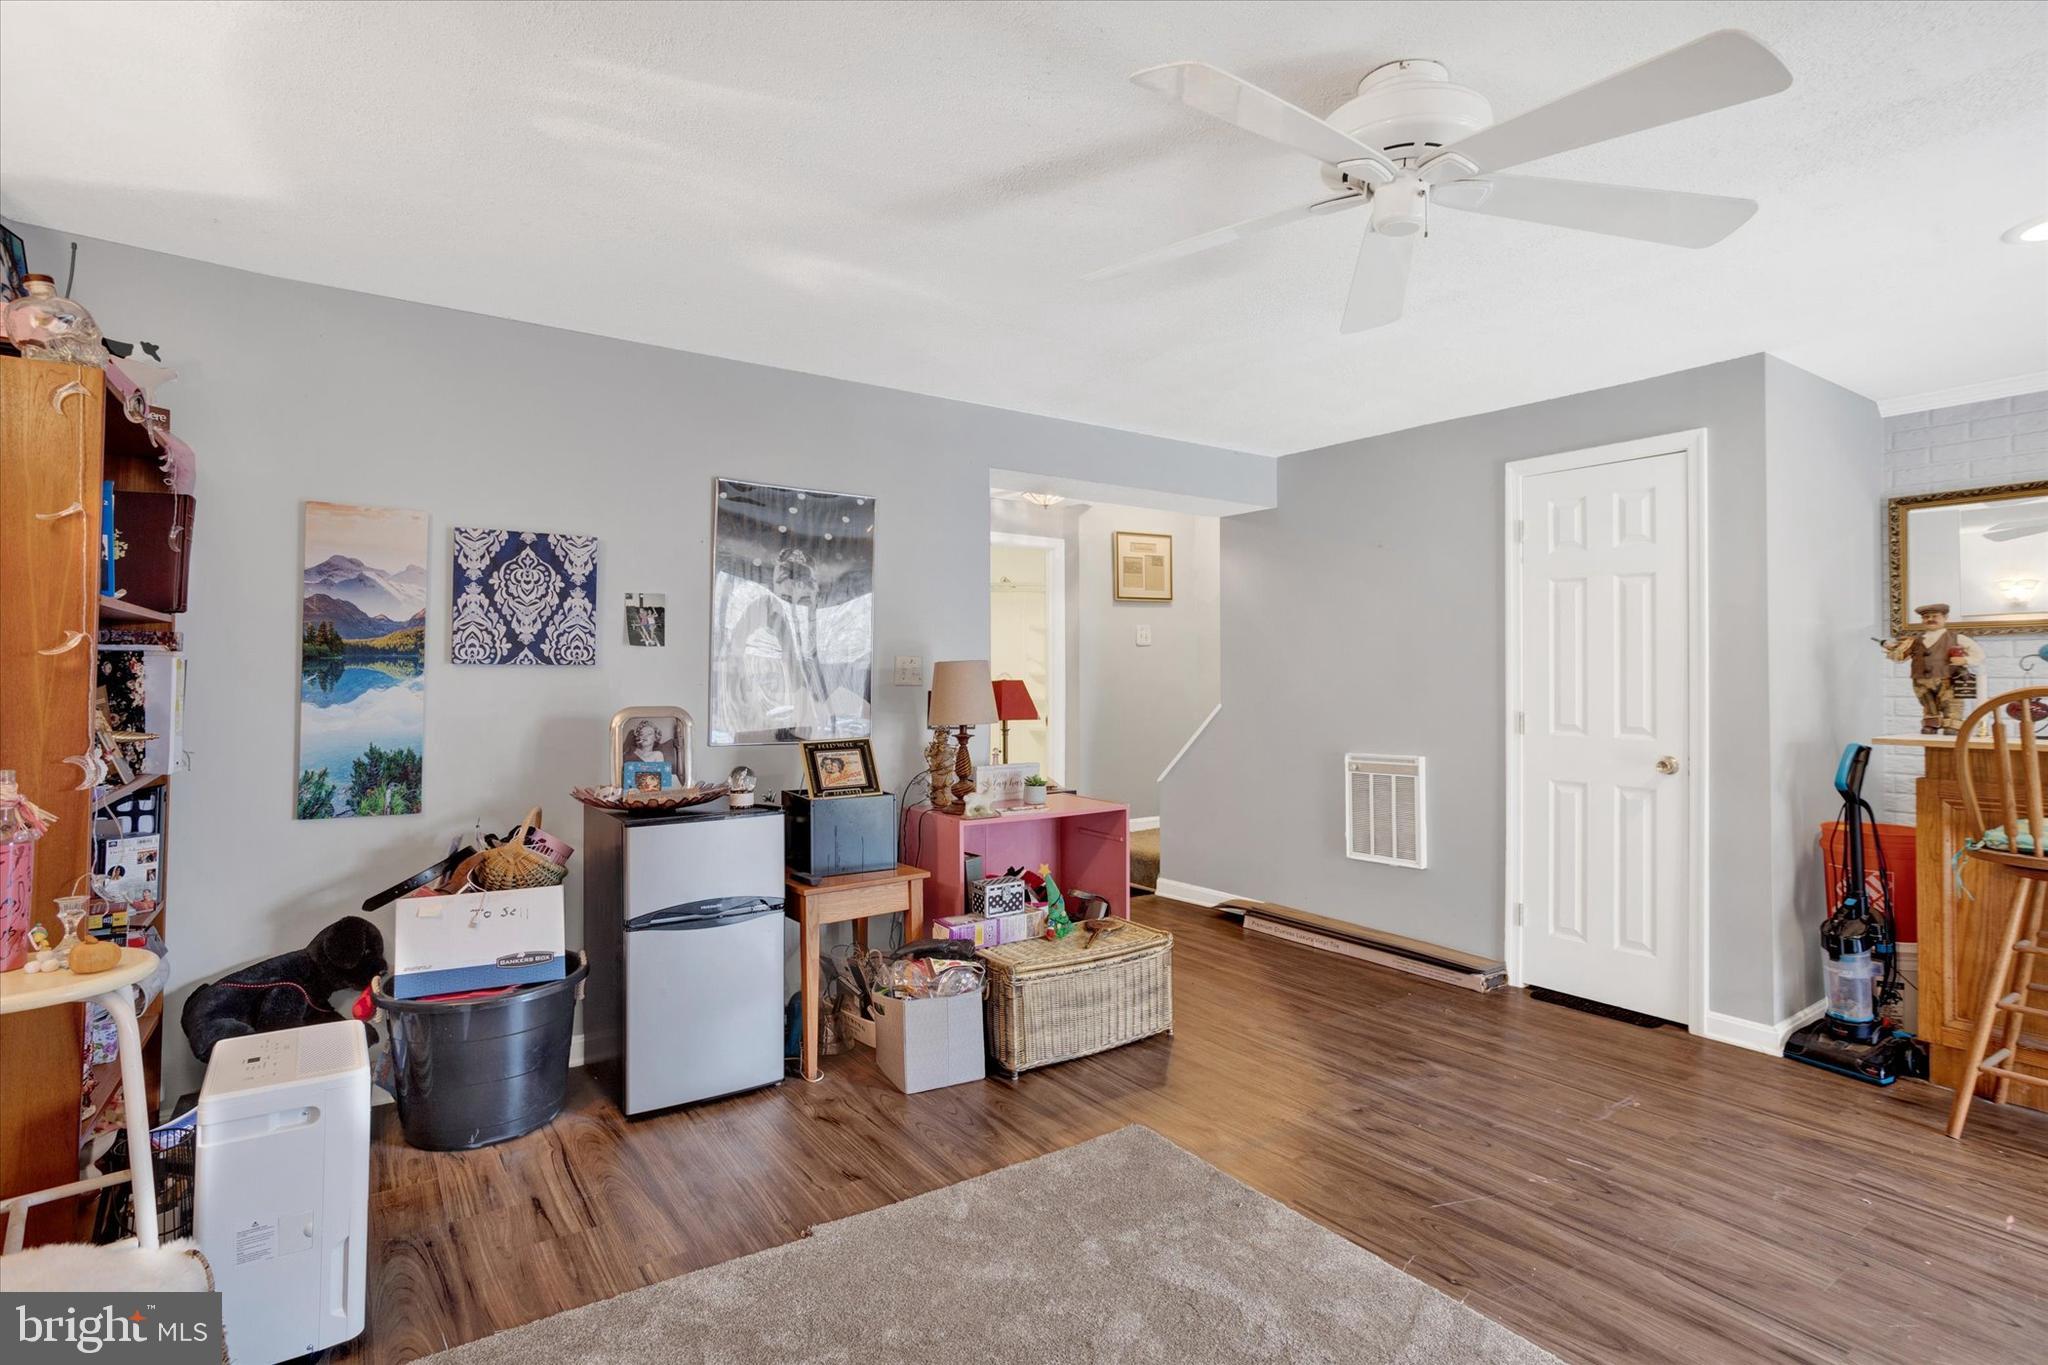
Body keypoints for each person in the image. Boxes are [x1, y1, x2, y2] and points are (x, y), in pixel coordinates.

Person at [1883, 602, 1983, 735]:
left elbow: (1979, 654)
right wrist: (1894, 650)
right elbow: (1900, 657)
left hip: (1947, 679)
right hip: (1921, 681)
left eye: (1935, 616)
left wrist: (1965, 660)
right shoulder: (1914, 641)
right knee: (1928, 704)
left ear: (1945, 617)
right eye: (1926, 617)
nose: (1930, 619)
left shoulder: (1956, 638)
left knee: (1952, 703)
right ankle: (1931, 724)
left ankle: (1952, 725)